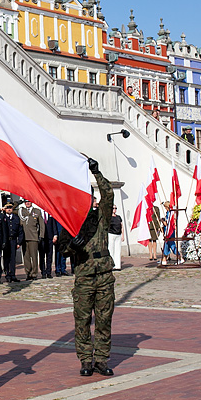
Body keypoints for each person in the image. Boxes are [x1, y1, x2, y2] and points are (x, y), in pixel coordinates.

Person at [58, 158, 117, 377]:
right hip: (83, 278)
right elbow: (62, 249)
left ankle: (101, 359)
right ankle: (85, 359)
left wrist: (96, 172)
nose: (88, 201)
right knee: (82, 321)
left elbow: (108, 195)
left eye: (90, 198)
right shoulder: (70, 222)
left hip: (103, 276)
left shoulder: (99, 217)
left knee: (104, 320)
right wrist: (72, 247)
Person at [19, 199, 44, 280]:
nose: (27, 203)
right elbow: (11, 209)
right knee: (26, 257)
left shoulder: (37, 211)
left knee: (34, 256)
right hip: (24, 237)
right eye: (26, 202)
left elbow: (41, 224)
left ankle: (34, 273)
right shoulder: (21, 211)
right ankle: (28, 273)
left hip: (33, 237)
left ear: (31, 202)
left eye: (29, 202)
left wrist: (41, 236)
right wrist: (18, 203)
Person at [0, 201, 24, 282]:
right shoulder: (2, 218)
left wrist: (19, 242)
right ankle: (7, 275)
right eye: (7, 208)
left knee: (13, 259)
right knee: (6, 258)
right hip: (5, 241)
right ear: (5, 209)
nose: (9, 209)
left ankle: (13, 275)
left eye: (10, 208)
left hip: (13, 241)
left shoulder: (16, 218)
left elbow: (20, 231)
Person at [108, 205, 124, 270]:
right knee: (111, 249)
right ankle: (112, 265)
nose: (114, 210)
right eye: (113, 208)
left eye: (115, 208)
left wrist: (123, 235)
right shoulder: (109, 218)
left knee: (118, 250)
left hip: (118, 234)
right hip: (111, 234)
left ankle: (117, 265)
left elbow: (121, 226)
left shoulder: (118, 217)